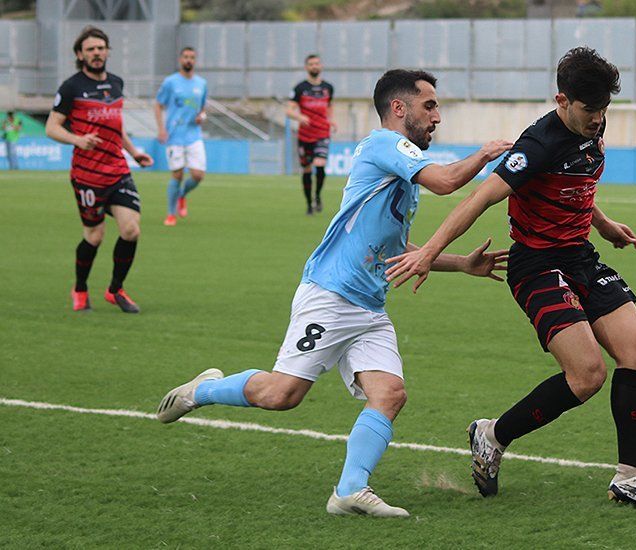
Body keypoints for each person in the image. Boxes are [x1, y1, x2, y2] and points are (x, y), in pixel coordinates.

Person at [157, 69, 512, 517]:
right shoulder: (385, 143)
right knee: (282, 395)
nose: (437, 116)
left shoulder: (399, 168)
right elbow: (445, 181)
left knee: (390, 394)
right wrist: (483, 154)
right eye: (430, 106)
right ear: (399, 108)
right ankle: (202, 391)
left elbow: (395, 247)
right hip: (331, 293)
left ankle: (348, 490)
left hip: (368, 305)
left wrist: (460, 264)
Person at [384, 47, 636, 510]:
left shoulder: (589, 123)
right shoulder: (538, 143)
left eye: (604, 110)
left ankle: (631, 476)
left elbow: (577, 177)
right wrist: (430, 253)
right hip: (537, 265)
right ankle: (492, 435)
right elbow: (478, 200)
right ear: (562, 100)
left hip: (580, 255)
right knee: (586, 375)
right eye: (589, 111)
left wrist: (603, 224)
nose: (598, 119)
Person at [45, 26, 153, 314]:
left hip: (117, 169)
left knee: (131, 230)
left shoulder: (116, 83)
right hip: (87, 175)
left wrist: (135, 153)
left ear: (107, 51)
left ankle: (115, 289)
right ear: (80, 54)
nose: (97, 53)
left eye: (101, 48)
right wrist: (78, 140)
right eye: (91, 49)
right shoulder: (71, 87)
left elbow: (117, 127)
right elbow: (51, 127)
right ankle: (80, 288)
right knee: (95, 236)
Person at [154, 47, 208, 226]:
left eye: (192, 57)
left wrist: (202, 116)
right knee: (177, 174)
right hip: (175, 135)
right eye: (186, 57)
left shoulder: (201, 84)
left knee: (198, 175)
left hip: (194, 135)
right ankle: (170, 214)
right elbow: (158, 105)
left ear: (195, 60)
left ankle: (182, 195)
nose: (188, 60)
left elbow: (202, 108)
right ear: (180, 60)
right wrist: (161, 129)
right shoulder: (170, 82)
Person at [286, 54, 336, 215]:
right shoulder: (300, 88)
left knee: (319, 164)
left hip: (322, 133)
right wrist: (299, 117)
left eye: (317, 63)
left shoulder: (328, 87)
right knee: (307, 170)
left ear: (321, 66)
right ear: (306, 67)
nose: (314, 66)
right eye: (311, 64)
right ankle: (309, 203)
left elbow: (329, 107)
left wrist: (332, 121)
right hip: (305, 135)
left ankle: (318, 196)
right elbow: (288, 110)